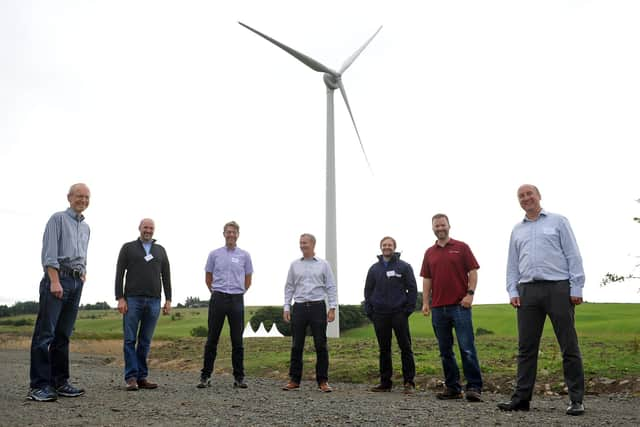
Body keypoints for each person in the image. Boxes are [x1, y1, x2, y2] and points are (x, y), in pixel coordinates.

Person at [497, 184, 586, 416]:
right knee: (526, 348)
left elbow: (573, 254)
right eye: (521, 196)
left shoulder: (558, 221)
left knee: (568, 345)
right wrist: (512, 291)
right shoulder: (517, 230)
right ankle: (521, 399)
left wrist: (576, 285)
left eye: (529, 194)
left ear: (538, 197)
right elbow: (512, 264)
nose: (526, 198)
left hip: (558, 288)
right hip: (527, 291)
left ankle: (576, 400)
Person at [28, 183, 91, 402]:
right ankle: (39, 386)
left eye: (86, 197)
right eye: (79, 196)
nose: (83, 200)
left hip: (75, 282)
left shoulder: (86, 227)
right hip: (58, 280)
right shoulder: (57, 219)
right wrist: (55, 280)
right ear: (69, 197)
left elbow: (82, 254)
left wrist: (83, 273)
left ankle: (60, 382)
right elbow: (49, 253)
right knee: (45, 334)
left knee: (63, 335)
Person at [420, 213, 483, 402]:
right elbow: (427, 279)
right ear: (432, 228)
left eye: (442, 225)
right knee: (445, 350)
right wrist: (425, 302)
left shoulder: (461, 248)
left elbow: (473, 271)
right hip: (438, 308)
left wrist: (470, 294)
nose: (440, 228)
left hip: (460, 306)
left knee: (467, 348)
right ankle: (453, 387)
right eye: (436, 226)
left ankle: (474, 387)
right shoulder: (429, 253)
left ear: (449, 226)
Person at [115, 218, 172, 391]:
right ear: (139, 228)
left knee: (145, 341)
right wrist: (120, 298)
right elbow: (119, 273)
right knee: (130, 340)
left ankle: (142, 377)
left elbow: (166, 276)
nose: (148, 230)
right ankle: (131, 377)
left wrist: (168, 299)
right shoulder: (128, 248)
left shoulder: (160, 250)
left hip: (154, 301)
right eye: (145, 227)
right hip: (132, 300)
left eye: (151, 228)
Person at [198, 221, 253, 389]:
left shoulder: (245, 255)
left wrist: (239, 292)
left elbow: (248, 278)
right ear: (224, 234)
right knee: (212, 338)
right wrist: (215, 291)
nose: (231, 235)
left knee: (237, 340)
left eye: (234, 232)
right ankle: (205, 376)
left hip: (236, 299)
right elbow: (208, 276)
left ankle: (239, 377)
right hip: (218, 298)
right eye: (228, 232)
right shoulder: (214, 254)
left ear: (238, 235)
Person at [282, 233, 337, 392]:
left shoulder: (323, 265)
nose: (302, 245)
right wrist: (287, 307)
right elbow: (289, 287)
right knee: (296, 345)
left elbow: (331, 287)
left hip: (317, 306)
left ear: (313, 244)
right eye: (300, 243)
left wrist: (332, 308)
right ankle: (294, 380)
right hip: (299, 306)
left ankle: (323, 381)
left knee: (320, 344)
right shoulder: (294, 265)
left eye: (305, 243)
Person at [364, 236, 417, 393]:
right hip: (380, 314)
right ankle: (385, 382)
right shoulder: (374, 269)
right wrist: (370, 310)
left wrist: (407, 309)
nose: (387, 247)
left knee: (405, 347)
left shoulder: (404, 267)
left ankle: (409, 382)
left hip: (399, 313)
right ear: (381, 247)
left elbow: (412, 289)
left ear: (395, 247)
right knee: (384, 349)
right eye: (384, 245)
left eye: (390, 245)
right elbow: (368, 291)